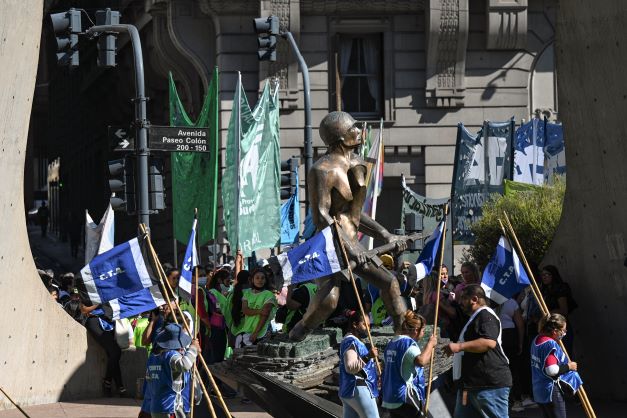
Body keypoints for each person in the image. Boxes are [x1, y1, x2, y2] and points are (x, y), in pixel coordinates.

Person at [290, 111, 408, 341]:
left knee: (390, 282)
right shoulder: (322, 170)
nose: (359, 130)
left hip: (353, 241)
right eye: (353, 127)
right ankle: (300, 331)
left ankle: (404, 332)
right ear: (341, 137)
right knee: (330, 300)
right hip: (330, 243)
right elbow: (321, 217)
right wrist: (350, 248)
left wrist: (385, 235)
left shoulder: (357, 165)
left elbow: (354, 214)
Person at [445, 284, 512, 418]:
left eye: (463, 298)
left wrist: (458, 346)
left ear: (474, 299)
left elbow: (488, 342)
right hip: (468, 387)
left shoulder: (485, 315)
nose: (459, 302)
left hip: (488, 386)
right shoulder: (475, 317)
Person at [382, 310, 437, 417]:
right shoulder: (408, 343)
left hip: (389, 398)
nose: (423, 334)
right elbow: (421, 361)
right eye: (423, 331)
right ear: (416, 330)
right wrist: (430, 344)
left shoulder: (391, 343)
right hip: (403, 396)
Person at [531, 313, 582, 418]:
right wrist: (569, 366)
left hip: (538, 389)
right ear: (555, 331)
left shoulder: (536, 339)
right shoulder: (550, 344)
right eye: (563, 330)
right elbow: (551, 370)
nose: (564, 333)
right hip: (550, 391)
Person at [146, 323, 201, 418]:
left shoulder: (152, 358)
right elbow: (184, 365)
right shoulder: (170, 355)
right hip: (170, 407)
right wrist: (193, 349)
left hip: (156, 407)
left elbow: (148, 378)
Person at [338, 310, 379, 418]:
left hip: (350, 390)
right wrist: (368, 357)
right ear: (355, 325)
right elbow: (350, 367)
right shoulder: (350, 341)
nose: (368, 329)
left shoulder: (355, 341)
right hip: (358, 389)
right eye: (365, 325)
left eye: (369, 325)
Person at [81, 303, 127, 397]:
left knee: (113, 355)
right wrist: (99, 303)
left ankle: (117, 385)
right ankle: (109, 382)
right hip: (95, 321)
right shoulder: (90, 293)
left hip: (109, 322)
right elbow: (84, 309)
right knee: (115, 351)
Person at [539, 266, 576, 354]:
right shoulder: (544, 291)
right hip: (550, 328)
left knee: (565, 355)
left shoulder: (560, 288)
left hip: (560, 326)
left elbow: (564, 310)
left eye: (547, 274)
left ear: (553, 275)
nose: (544, 277)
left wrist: (548, 314)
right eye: (542, 275)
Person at [498, 297, 525, 412]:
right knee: (514, 369)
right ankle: (517, 400)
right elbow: (520, 324)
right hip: (511, 336)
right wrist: (520, 342)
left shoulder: (489, 301)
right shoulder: (511, 302)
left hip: (496, 335)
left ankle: (503, 400)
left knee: (499, 369)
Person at [240, 268, 277, 345]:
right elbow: (245, 310)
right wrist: (260, 311)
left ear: (266, 280)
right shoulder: (247, 293)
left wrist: (255, 333)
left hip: (262, 333)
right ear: (252, 280)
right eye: (257, 278)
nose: (260, 280)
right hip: (247, 330)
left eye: (262, 278)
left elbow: (265, 315)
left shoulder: (269, 294)